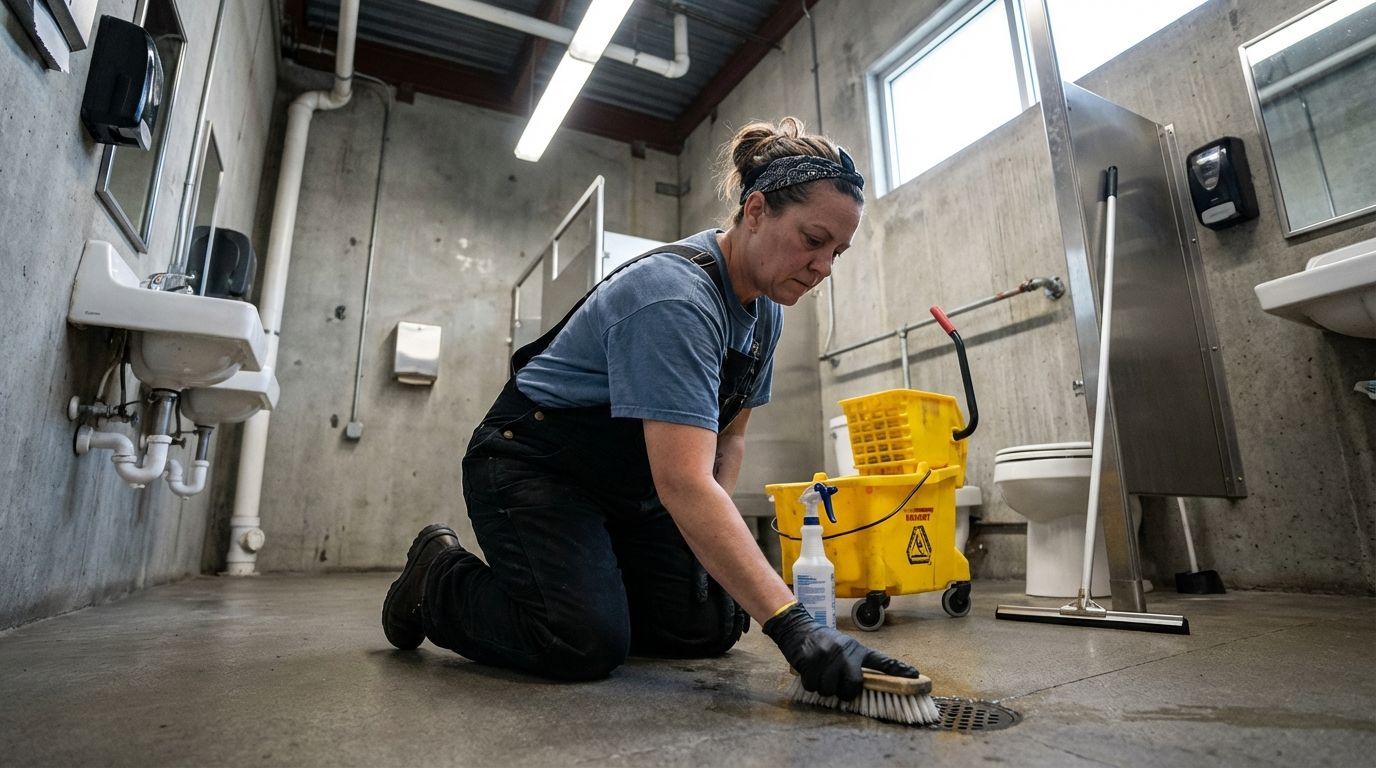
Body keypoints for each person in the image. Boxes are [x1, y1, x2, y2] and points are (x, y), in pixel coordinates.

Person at [381, 117, 920, 701]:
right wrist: (796, 627)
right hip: (533, 466)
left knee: (711, 622)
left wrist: (699, 560)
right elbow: (685, 483)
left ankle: (594, 588)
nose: (824, 267)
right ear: (757, 210)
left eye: (837, 251)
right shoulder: (675, 298)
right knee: (581, 641)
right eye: (814, 241)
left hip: (630, 489)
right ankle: (435, 578)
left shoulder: (768, 311)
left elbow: (729, 440)